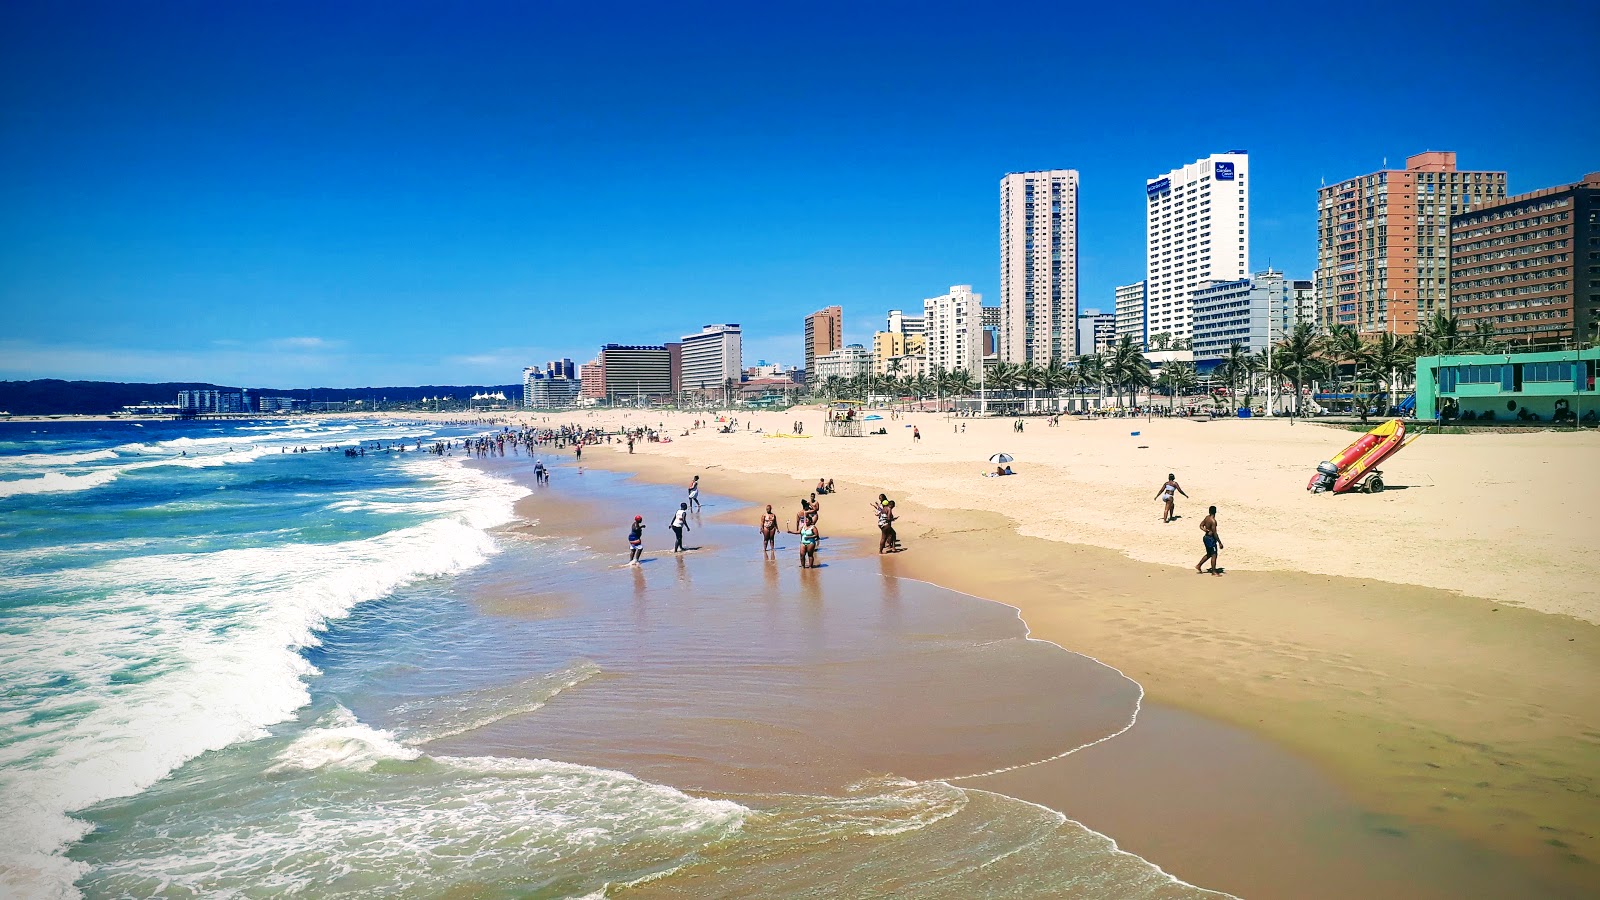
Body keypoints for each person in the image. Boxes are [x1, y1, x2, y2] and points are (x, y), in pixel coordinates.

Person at [1196, 506, 1223, 575]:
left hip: (1205, 537)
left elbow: (1201, 525)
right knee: (1214, 555)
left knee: (1209, 554)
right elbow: (1215, 533)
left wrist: (1204, 529)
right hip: (1210, 539)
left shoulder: (1207, 518)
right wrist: (1220, 542)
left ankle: (1199, 565)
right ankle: (1213, 571)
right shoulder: (1213, 521)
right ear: (1215, 511)